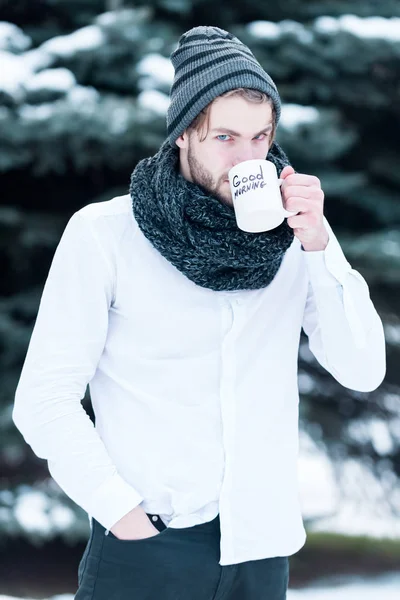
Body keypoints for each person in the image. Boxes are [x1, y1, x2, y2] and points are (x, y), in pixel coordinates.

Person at [13, 25, 386, 600]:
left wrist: (319, 249)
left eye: (261, 137)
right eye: (227, 138)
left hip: (261, 549)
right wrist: (122, 512)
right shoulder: (105, 234)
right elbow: (43, 399)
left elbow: (362, 370)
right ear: (185, 133)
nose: (249, 157)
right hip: (147, 548)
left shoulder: (297, 237)